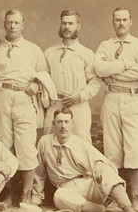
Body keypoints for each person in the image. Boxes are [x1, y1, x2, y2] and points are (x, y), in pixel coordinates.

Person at [32, 108, 138, 212]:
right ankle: (102, 210)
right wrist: (36, 197)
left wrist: (99, 163)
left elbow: (103, 162)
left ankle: (129, 211)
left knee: (106, 171)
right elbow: (39, 173)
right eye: (59, 122)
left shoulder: (79, 143)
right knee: (59, 196)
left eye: (66, 122)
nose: (63, 126)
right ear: (53, 123)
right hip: (66, 189)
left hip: (88, 185)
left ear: (72, 124)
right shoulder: (45, 142)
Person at [0, 9, 48, 204]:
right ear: (4, 24)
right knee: (3, 146)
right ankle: (7, 192)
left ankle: (26, 194)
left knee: (26, 146)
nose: (12, 26)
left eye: (16, 23)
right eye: (9, 23)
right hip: (0, 96)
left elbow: (44, 74)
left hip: (23, 98)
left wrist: (36, 85)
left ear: (23, 24)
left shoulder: (33, 49)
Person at [93, 7, 138, 212]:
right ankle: (115, 195)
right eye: (117, 20)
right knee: (112, 149)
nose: (121, 23)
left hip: (133, 98)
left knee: (134, 148)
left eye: (125, 19)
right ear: (113, 22)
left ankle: (134, 198)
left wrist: (114, 71)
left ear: (131, 21)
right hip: (111, 98)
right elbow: (99, 69)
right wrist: (125, 65)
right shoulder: (105, 46)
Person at [43, 10, 101, 143]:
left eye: (71, 23)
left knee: (80, 144)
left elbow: (95, 82)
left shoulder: (86, 53)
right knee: (49, 142)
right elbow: (43, 79)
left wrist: (79, 96)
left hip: (78, 106)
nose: (67, 27)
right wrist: (48, 98)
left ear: (78, 26)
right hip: (55, 104)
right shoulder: (50, 52)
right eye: (64, 23)